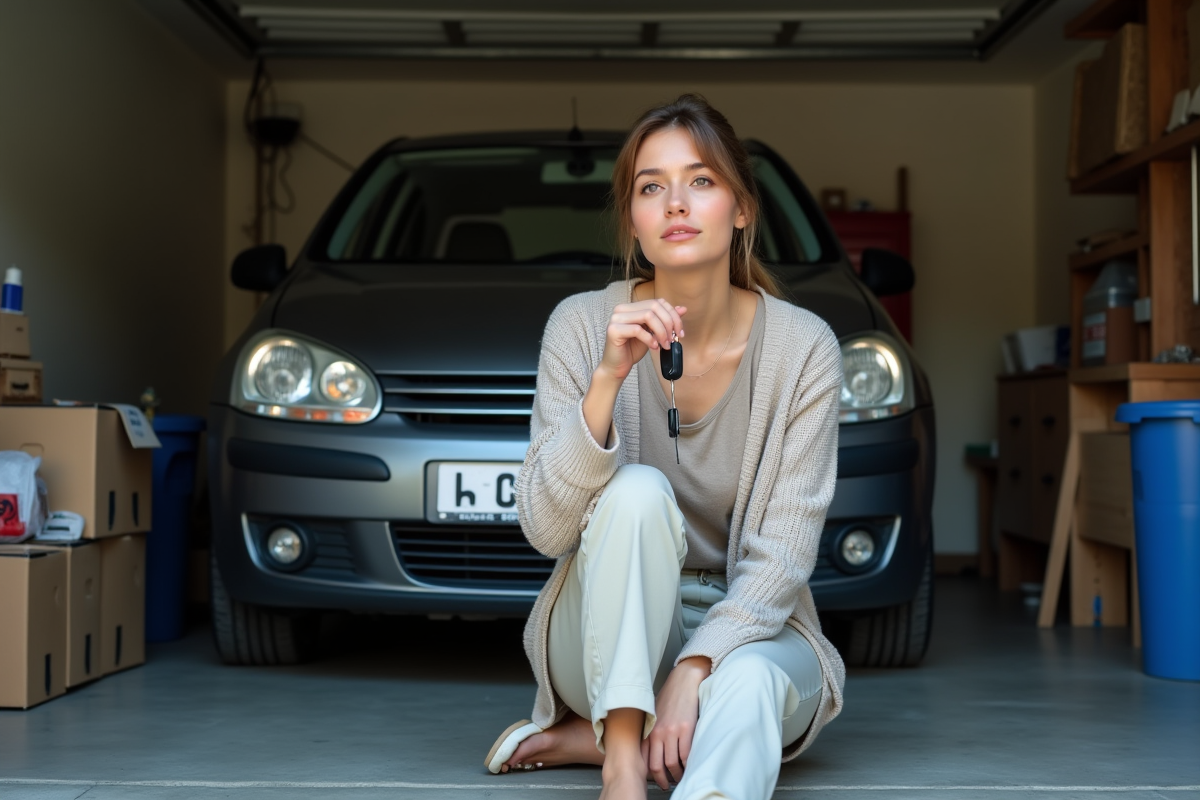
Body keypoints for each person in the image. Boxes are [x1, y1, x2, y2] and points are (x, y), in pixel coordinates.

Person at [483, 94, 845, 800]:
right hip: (604, 627)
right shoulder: (582, 325)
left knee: (750, 686)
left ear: (741, 209)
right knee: (637, 489)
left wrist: (696, 665)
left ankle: (625, 742)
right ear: (635, 222)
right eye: (653, 187)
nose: (676, 202)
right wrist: (606, 382)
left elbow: (786, 558)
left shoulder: (804, 348)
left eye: (701, 181)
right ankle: (620, 757)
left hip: (752, 624)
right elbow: (546, 530)